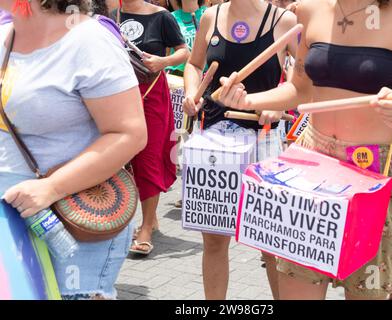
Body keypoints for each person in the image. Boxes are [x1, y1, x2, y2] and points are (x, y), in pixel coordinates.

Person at [217, 0, 392, 300]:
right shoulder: (311, 9)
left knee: (367, 291)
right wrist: (249, 102)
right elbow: (300, 88)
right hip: (312, 169)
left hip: (374, 172)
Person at [0, 0, 147, 299]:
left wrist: (52, 187)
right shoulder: (5, 34)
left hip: (70, 226)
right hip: (10, 225)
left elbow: (129, 134)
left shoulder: (88, 41)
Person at [183, 0, 297, 299]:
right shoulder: (211, 16)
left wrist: (278, 102)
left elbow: (305, 76)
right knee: (214, 240)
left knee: (270, 243)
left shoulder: (282, 20)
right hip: (215, 139)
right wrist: (190, 93)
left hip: (264, 139)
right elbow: (195, 64)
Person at [114, 0, 189, 255]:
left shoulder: (162, 16)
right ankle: (120, 221)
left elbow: (184, 51)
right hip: (114, 95)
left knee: (148, 158)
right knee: (117, 159)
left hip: (151, 93)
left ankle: (145, 227)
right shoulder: (108, 12)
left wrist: (163, 61)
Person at [166, 0, 207, 76]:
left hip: (204, 74)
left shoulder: (208, 13)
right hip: (177, 74)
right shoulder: (170, 17)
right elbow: (165, 52)